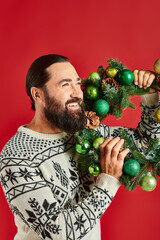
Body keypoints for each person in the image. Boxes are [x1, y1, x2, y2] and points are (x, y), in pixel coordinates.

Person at [0, 54, 159, 240]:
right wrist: (108, 182)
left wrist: (149, 96)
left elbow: (147, 147)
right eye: (65, 84)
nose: (77, 93)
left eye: (77, 83)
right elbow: (59, 233)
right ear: (38, 94)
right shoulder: (16, 156)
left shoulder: (84, 131)